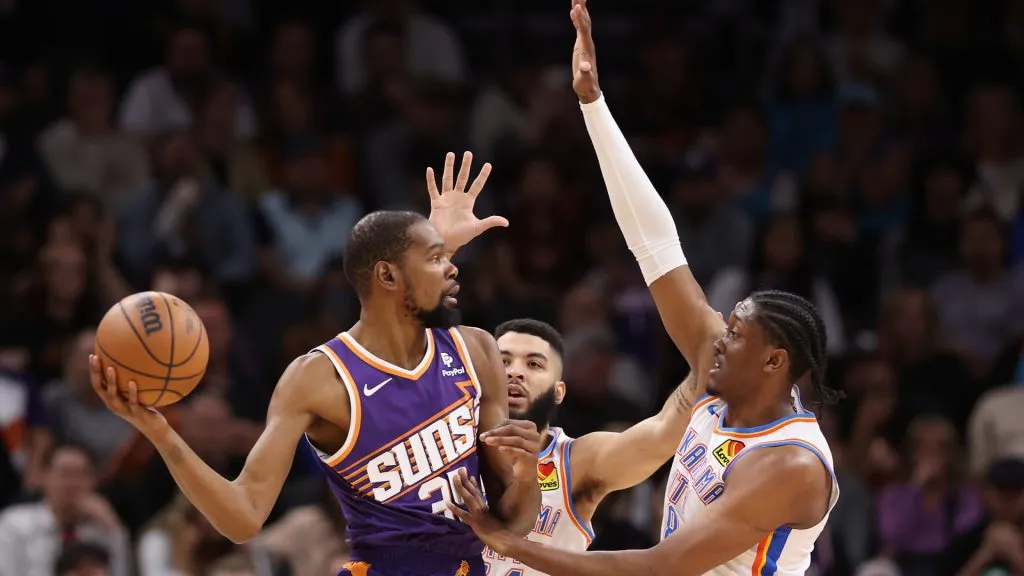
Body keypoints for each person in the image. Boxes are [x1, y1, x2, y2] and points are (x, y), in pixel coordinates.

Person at [446, 2, 840, 575]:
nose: (716, 339)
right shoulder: (721, 373)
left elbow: (656, 568)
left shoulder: (789, 464)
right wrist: (593, 106)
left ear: (774, 361)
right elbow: (655, 245)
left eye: (734, 336)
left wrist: (510, 546)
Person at [88, 151, 542, 576]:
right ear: (386, 276)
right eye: (437, 259)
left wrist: (524, 478)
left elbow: (515, 524)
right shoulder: (319, 378)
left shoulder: (476, 351)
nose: (453, 267)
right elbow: (244, 517)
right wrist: (162, 433)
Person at [485, 318, 698, 575]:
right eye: (504, 361)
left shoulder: (576, 461)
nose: (514, 372)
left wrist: (707, 361)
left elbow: (663, 432)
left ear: (558, 392)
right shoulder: (451, 445)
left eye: (534, 364)